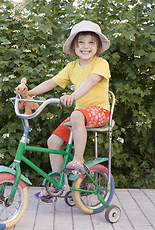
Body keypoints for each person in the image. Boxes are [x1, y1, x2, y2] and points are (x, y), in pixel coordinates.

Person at [28, 20, 111, 201]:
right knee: (53, 141)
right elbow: (52, 82)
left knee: (76, 114)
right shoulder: (72, 67)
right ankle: (57, 183)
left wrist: (72, 97)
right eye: (81, 42)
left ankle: (78, 159)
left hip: (99, 111)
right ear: (74, 46)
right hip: (79, 115)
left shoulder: (100, 64)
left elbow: (90, 82)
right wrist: (29, 94)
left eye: (91, 42)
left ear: (98, 47)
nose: (85, 46)